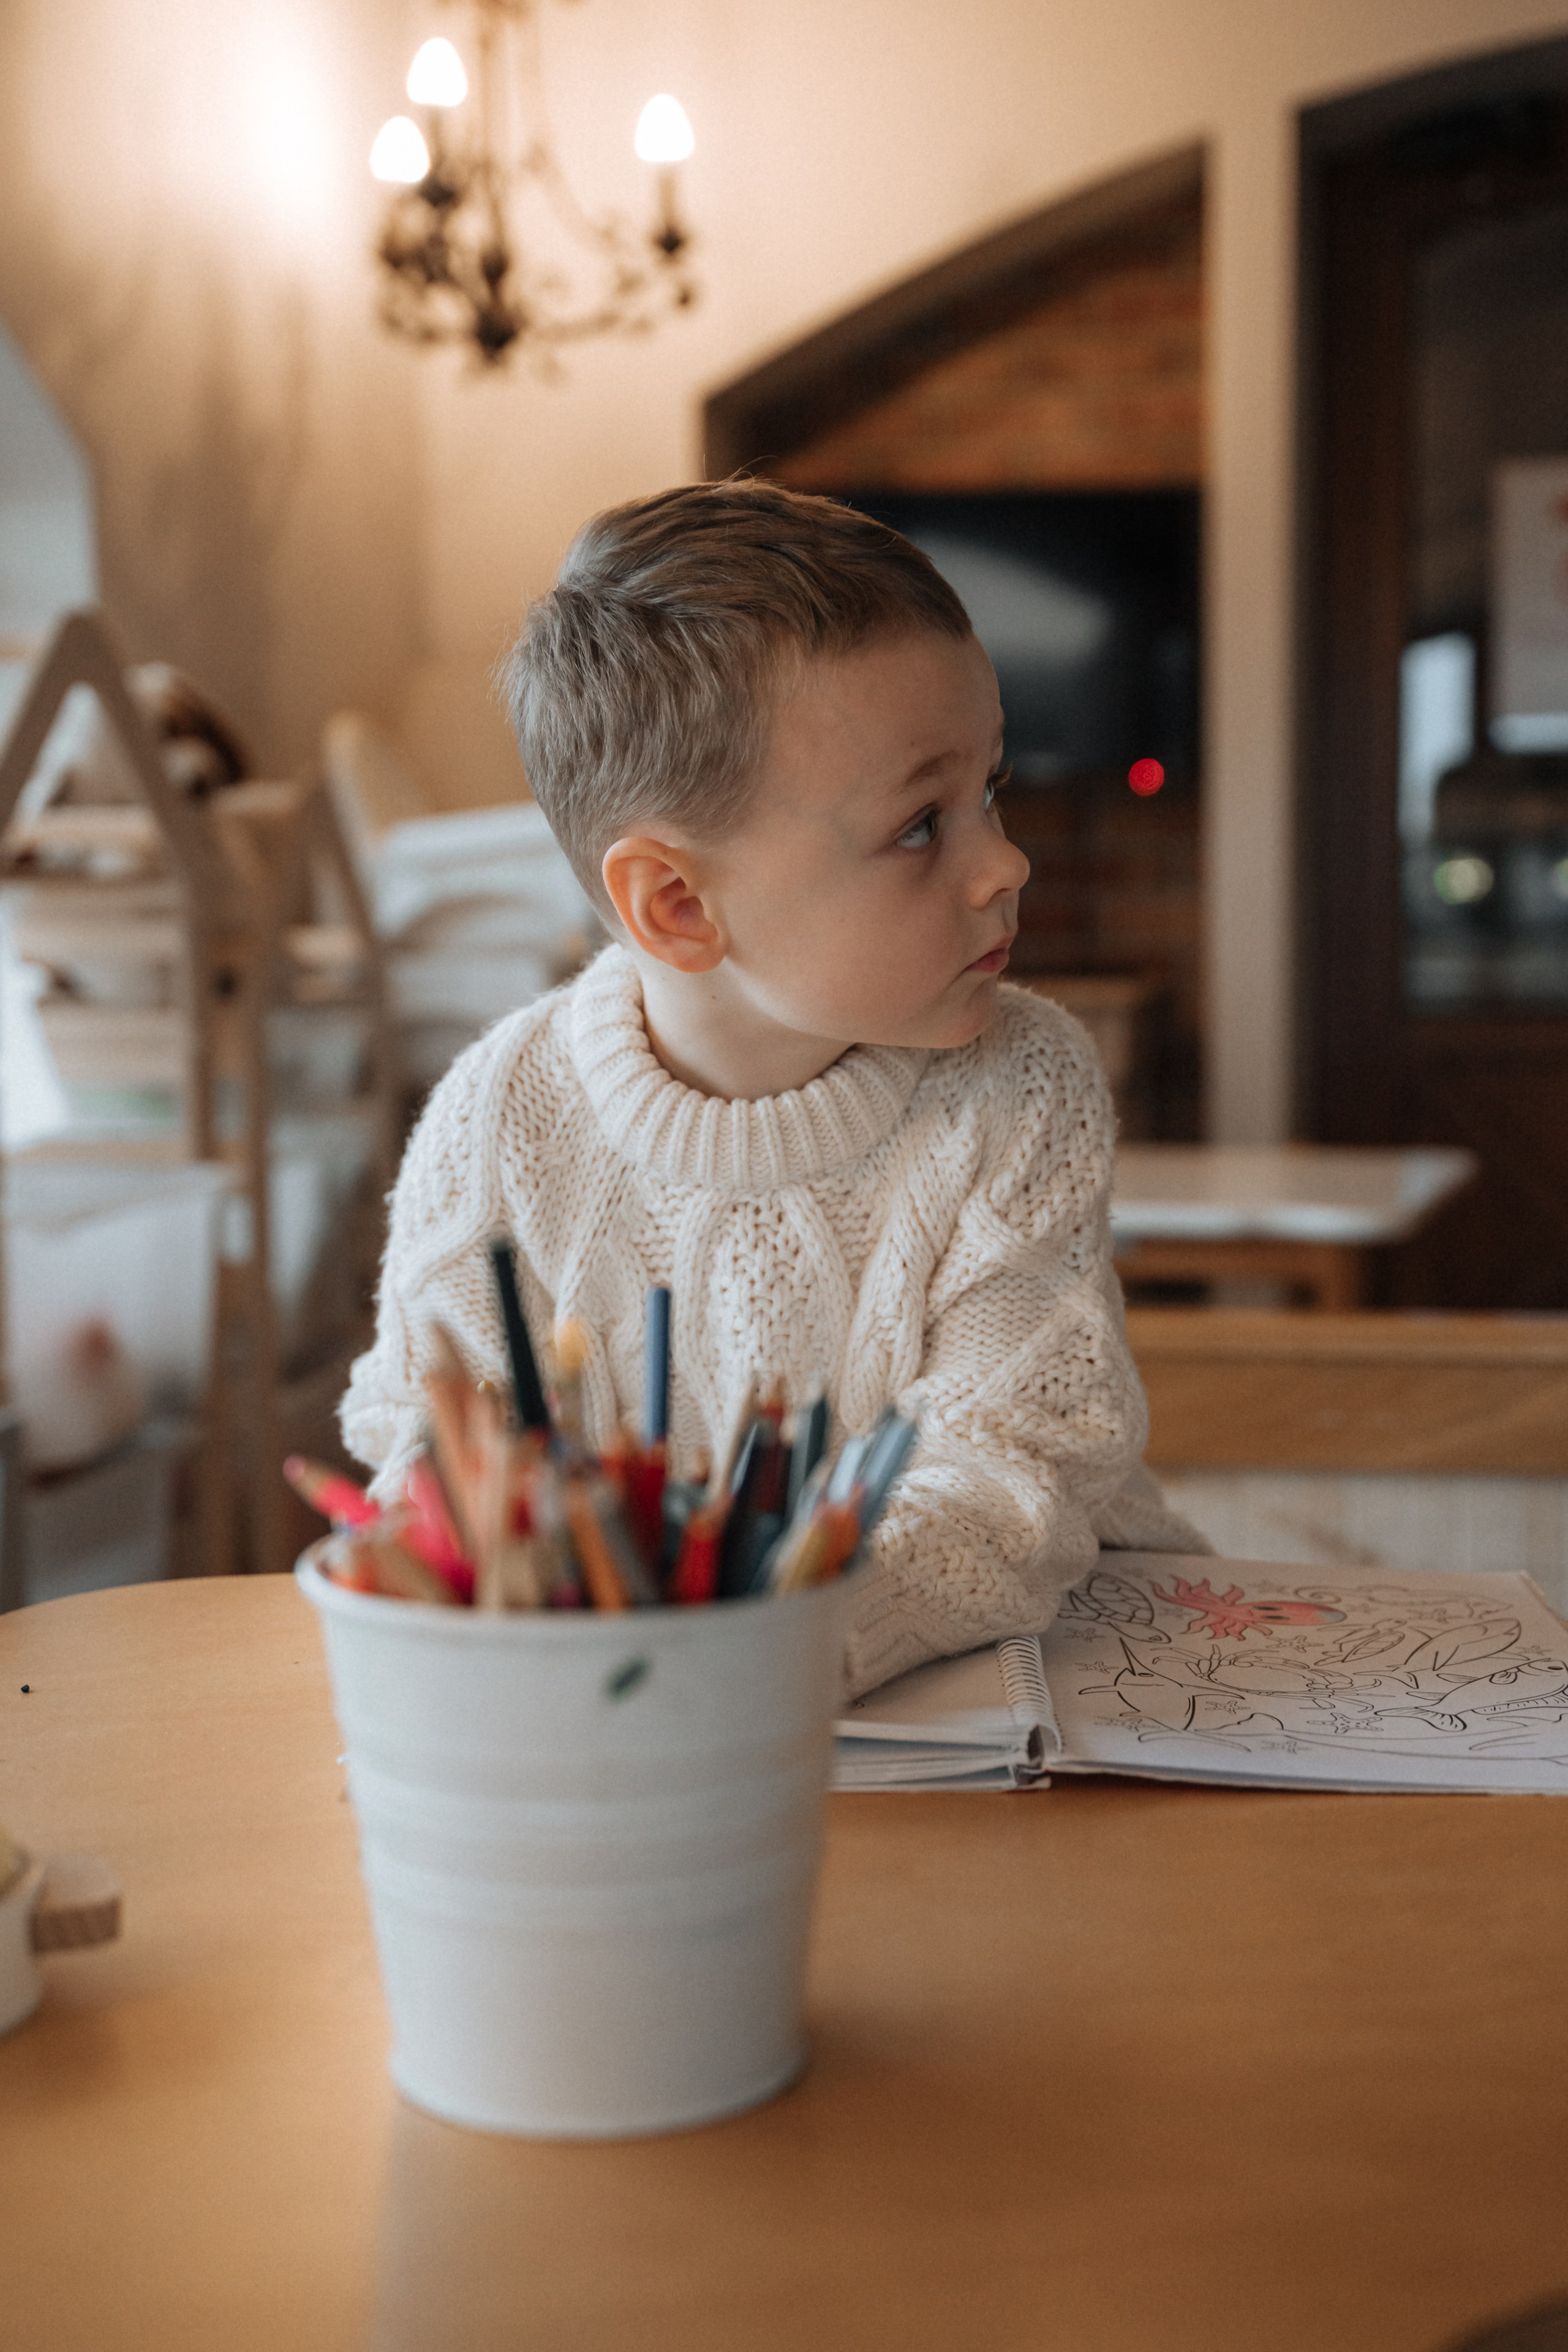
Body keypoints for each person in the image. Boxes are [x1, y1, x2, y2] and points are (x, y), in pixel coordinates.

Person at [341, 478, 1205, 1697]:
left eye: (988, 791)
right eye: (920, 825)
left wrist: (745, 1654)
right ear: (680, 906)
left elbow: (1012, 1468)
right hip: (646, 1732)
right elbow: (440, 1468)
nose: (1002, 862)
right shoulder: (493, 1119)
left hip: (1045, 1697)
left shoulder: (1022, 1082)